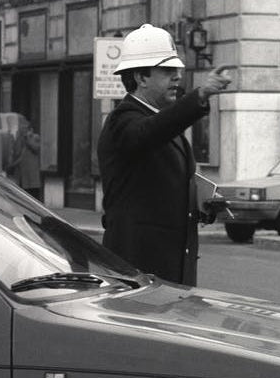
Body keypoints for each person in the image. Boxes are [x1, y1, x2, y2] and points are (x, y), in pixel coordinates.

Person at [97, 23, 231, 285]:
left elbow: (165, 186)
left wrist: (203, 203)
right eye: (167, 70)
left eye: (177, 70)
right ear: (141, 77)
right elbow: (150, 133)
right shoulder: (123, 121)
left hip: (171, 272)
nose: (178, 77)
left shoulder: (161, 122)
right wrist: (200, 95)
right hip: (140, 272)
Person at [8, 118, 41, 199]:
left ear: (30, 129)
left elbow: (36, 148)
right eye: (22, 128)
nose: (23, 130)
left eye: (25, 128)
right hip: (22, 170)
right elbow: (16, 152)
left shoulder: (35, 137)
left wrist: (28, 138)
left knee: (33, 192)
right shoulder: (20, 138)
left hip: (32, 171)